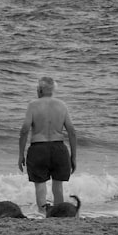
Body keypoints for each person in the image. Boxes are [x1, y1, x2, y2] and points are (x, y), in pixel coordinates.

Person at [18, 76, 77, 213]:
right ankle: (58, 214)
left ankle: (43, 213)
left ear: (39, 90)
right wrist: (73, 156)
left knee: (40, 185)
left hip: (38, 148)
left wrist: (21, 154)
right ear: (52, 90)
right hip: (59, 148)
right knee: (58, 186)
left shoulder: (33, 105)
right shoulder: (62, 105)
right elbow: (72, 132)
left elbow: (25, 129)